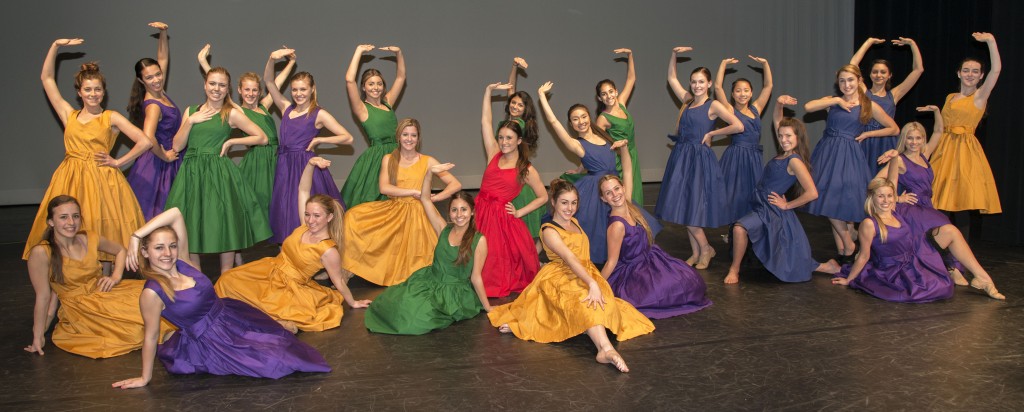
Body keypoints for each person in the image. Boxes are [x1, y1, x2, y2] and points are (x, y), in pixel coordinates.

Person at [111, 207, 331, 389]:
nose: (167, 253)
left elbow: (176, 213)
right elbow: (150, 336)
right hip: (214, 341)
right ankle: (178, 342)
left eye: (172, 246)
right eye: (158, 248)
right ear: (146, 252)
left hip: (230, 315)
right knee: (276, 360)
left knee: (281, 340)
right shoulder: (152, 292)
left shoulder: (184, 263)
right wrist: (144, 378)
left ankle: (178, 337)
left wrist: (136, 235)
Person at [488, 179, 655, 374]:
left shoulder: (574, 222)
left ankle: (587, 331)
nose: (570, 208)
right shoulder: (550, 230)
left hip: (584, 272)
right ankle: (605, 350)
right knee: (586, 303)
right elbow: (569, 258)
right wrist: (591, 283)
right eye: (564, 202)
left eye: (574, 202)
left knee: (605, 306)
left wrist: (593, 280)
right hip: (561, 277)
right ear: (554, 202)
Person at [24, 39, 152, 262]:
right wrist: (55, 46)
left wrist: (119, 162)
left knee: (102, 227)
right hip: (71, 177)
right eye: (88, 90)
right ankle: (72, 271)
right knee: (69, 225)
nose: (93, 94)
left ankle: (105, 278)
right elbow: (47, 79)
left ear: (103, 92)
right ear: (80, 92)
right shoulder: (69, 115)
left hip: (101, 178)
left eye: (97, 90)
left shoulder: (110, 117)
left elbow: (145, 141)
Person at [214, 157, 371, 332]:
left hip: (290, 287)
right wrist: (310, 164)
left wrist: (354, 303)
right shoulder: (303, 227)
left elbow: (339, 281)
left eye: (317, 216)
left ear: (329, 217)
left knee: (268, 305)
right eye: (307, 214)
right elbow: (303, 188)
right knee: (227, 280)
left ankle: (277, 322)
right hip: (270, 269)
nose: (310, 220)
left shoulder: (328, 250)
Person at [876, 108, 1004, 299]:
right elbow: (883, 184)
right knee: (950, 232)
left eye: (918, 138)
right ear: (904, 139)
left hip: (928, 206)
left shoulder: (924, 155)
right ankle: (981, 278)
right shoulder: (899, 160)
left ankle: (967, 273)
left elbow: (938, 131)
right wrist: (898, 198)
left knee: (949, 233)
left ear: (923, 139)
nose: (914, 142)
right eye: (910, 138)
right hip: (912, 210)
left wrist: (937, 111)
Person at [537, 81, 660, 264]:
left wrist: (626, 192)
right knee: (596, 230)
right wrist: (541, 96)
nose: (581, 122)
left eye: (584, 116)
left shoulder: (604, 135)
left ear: (589, 117)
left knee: (631, 227)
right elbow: (553, 122)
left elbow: (624, 166)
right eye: (575, 119)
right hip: (595, 192)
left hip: (613, 186)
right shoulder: (578, 145)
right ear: (571, 124)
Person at [163, 67, 271, 273]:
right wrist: (190, 122)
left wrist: (231, 141)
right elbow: (176, 146)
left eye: (222, 85)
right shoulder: (191, 111)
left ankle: (226, 276)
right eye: (212, 84)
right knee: (191, 221)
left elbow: (262, 137)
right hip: (192, 173)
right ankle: (197, 277)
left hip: (218, 173)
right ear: (205, 85)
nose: (216, 88)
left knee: (224, 221)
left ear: (227, 88)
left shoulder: (230, 113)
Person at [725, 97, 841, 284]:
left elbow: (812, 192)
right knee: (783, 252)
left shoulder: (794, 160)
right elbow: (778, 121)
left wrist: (787, 205)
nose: (783, 139)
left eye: (788, 136)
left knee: (740, 228)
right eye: (781, 136)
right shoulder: (784, 154)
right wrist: (778, 103)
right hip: (761, 204)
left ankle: (734, 269)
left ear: (798, 138)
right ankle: (826, 266)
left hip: (772, 209)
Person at [364, 166, 491, 335]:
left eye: (464, 209)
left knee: (413, 321)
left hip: (452, 293)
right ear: (449, 213)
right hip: (429, 280)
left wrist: (488, 307)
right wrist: (429, 174)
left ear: (472, 212)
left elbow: (476, 277)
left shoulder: (479, 240)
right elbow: (425, 199)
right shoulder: (443, 229)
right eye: (454, 210)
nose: (459, 214)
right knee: (394, 302)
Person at [25, 196, 150, 358]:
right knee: (136, 326)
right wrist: (38, 336)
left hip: (105, 292)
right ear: (51, 222)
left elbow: (121, 250)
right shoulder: (42, 252)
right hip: (83, 310)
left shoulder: (89, 238)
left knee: (153, 296)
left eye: (75, 216)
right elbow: (43, 297)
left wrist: (115, 277)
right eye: (63, 217)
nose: (71, 222)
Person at [342, 118, 461, 286]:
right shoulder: (389, 159)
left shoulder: (428, 160)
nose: (409, 139)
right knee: (353, 217)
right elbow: (384, 188)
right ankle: (349, 268)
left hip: (420, 212)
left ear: (418, 138)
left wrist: (434, 197)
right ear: (398, 136)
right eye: (405, 134)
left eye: (413, 135)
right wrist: (412, 192)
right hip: (395, 207)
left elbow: (456, 184)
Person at [656, 46, 744, 269]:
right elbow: (671, 78)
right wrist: (674, 55)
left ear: (708, 84)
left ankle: (706, 249)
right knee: (685, 206)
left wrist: (713, 133)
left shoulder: (712, 105)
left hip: (698, 160)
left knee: (693, 207)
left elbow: (738, 125)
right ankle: (696, 252)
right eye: (693, 81)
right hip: (682, 158)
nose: (696, 85)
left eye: (701, 82)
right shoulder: (687, 100)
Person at [803, 64, 898, 264]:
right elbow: (807, 107)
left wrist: (869, 133)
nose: (847, 84)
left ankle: (848, 245)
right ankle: (847, 244)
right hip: (827, 152)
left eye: (850, 80)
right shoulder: (834, 102)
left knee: (837, 199)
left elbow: (894, 129)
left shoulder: (868, 105)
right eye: (842, 81)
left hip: (848, 154)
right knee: (823, 197)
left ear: (859, 80)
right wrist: (836, 100)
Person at [197, 43, 297, 223]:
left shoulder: (264, 107)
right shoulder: (238, 111)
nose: (251, 93)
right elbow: (219, 85)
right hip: (257, 160)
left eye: (254, 90)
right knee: (257, 199)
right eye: (247, 90)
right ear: (239, 91)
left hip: (275, 158)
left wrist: (291, 63)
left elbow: (276, 83)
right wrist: (203, 62)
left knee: (278, 198)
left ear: (259, 92)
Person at [264, 48, 354, 243]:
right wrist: (272, 59)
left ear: (312, 89)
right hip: (285, 166)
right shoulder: (286, 108)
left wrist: (321, 140)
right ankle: (290, 256)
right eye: (295, 90)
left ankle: (317, 256)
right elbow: (269, 82)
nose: (298, 93)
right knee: (285, 210)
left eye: (303, 89)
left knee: (311, 213)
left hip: (306, 166)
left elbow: (347, 137)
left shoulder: (318, 114)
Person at [598, 166, 712, 318]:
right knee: (661, 291)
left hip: (652, 259)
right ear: (604, 199)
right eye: (608, 193)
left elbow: (627, 172)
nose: (614, 194)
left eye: (616, 188)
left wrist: (624, 148)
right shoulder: (617, 226)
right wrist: (596, 287)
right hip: (634, 270)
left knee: (690, 280)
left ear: (623, 188)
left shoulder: (629, 205)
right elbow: (611, 262)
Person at [830, 179, 956, 302]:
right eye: (880, 196)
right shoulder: (869, 224)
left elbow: (893, 181)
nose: (886, 200)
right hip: (892, 270)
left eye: (889, 196)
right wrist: (849, 280)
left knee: (943, 285)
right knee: (922, 290)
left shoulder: (895, 212)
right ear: (872, 197)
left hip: (912, 262)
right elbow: (864, 256)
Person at [476, 84, 548, 297]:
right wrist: (487, 92)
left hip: (501, 219)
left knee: (496, 265)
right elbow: (485, 122)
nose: (504, 142)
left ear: (519, 140)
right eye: (501, 137)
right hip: (481, 212)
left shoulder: (525, 169)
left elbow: (543, 197)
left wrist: (519, 212)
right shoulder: (493, 153)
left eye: (509, 138)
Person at [930, 32, 1002, 217]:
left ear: (981, 76)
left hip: (964, 150)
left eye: (975, 71)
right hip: (943, 149)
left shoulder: (979, 96)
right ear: (959, 73)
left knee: (961, 200)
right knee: (937, 198)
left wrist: (990, 42)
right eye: (966, 70)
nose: (970, 74)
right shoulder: (950, 97)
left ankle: (963, 245)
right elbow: (940, 127)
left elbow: (996, 70)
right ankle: (938, 244)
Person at [125, 22, 183, 221]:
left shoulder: (160, 92)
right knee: (157, 214)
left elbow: (163, 58)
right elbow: (148, 138)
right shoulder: (153, 105)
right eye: (149, 77)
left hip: (167, 160)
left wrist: (163, 33)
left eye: (158, 74)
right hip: (158, 164)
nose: (157, 79)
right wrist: (165, 157)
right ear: (141, 81)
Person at [341, 44, 406, 208]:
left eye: (379, 84)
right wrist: (358, 51)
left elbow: (401, 77)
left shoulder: (388, 103)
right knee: (376, 201)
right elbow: (349, 80)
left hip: (399, 153)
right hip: (377, 158)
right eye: (370, 84)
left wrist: (398, 53)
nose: (375, 88)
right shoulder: (362, 109)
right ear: (363, 87)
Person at [850, 37, 924, 174]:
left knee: (884, 180)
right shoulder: (864, 92)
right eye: (875, 72)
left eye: (883, 72)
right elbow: (853, 64)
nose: (879, 75)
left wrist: (913, 44)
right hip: (865, 139)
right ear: (870, 75)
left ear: (889, 75)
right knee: (862, 178)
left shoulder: (894, 95)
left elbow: (918, 70)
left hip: (886, 141)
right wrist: (868, 42)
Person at [489, 58, 544, 241]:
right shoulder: (509, 121)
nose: (515, 106)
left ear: (525, 110)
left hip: (514, 177)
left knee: (517, 228)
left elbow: (511, 91)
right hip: (509, 172)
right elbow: (511, 89)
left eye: (520, 105)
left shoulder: (516, 124)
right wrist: (514, 66)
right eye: (514, 103)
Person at [714, 55, 773, 223]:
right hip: (737, 157)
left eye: (746, 90)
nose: (742, 94)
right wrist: (723, 64)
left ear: (751, 92)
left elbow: (768, 86)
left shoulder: (756, 109)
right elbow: (718, 87)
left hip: (753, 157)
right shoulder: (730, 110)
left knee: (753, 192)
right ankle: (735, 227)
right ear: (732, 94)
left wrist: (765, 64)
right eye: (738, 91)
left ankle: (750, 227)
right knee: (735, 193)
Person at [595, 48, 644, 205]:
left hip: (632, 154)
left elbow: (631, 79)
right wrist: (580, 168)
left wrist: (630, 55)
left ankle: (636, 226)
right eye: (604, 94)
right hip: (620, 160)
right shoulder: (602, 119)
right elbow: (595, 144)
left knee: (635, 192)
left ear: (616, 92)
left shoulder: (621, 103)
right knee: (625, 196)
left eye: (611, 91)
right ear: (599, 98)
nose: (609, 96)